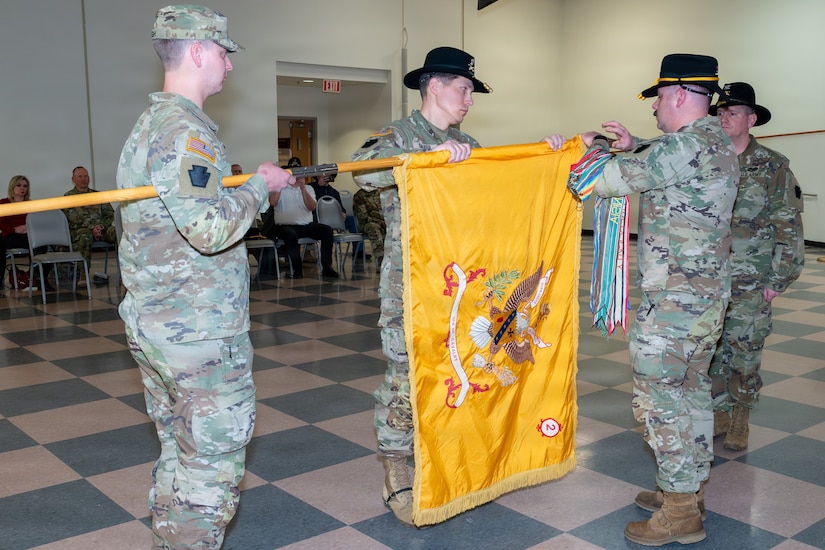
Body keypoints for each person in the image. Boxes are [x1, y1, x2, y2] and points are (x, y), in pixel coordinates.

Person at [116, 5, 293, 549]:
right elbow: (209, 229)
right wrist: (261, 186)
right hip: (198, 334)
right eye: (223, 53)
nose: (229, 66)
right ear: (196, 52)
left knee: (179, 451)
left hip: (163, 325)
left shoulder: (151, 125)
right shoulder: (183, 132)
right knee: (210, 466)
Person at [561, 54, 739, 546]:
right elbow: (658, 157)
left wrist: (584, 149)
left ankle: (680, 511)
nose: (655, 107)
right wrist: (631, 145)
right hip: (701, 298)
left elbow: (603, 181)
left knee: (660, 399)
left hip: (676, 304)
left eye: (659, 97)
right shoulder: (707, 140)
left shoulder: (685, 145)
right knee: (691, 393)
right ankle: (686, 489)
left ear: (680, 95)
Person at [350, 46, 491, 527]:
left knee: (456, 374)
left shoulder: (470, 142)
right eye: (463, 88)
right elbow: (362, 173)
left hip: (460, 288)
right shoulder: (397, 135)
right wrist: (422, 157)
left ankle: (446, 459)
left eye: (471, 90)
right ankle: (396, 471)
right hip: (410, 286)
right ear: (434, 85)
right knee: (404, 383)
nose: (469, 98)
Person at [708, 82, 804, 451]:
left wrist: (779, 278)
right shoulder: (709, 159)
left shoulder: (773, 165)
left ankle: (741, 415)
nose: (724, 117)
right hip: (709, 276)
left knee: (744, 349)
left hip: (752, 276)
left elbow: (789, 225)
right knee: (712, 348)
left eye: (733, 112)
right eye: (720, 111)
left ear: (751, 119)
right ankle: (718, 410)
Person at [261, 172, 339, 279]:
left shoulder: (308, 188)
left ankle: (327, 266)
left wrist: (303, 189)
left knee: (327, 231)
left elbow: (312, 207)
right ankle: (297, 268)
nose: (298, 178)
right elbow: (273, 203)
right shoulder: (279, 188)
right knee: (291, 234)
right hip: (285, 226)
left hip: (306, 225)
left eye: (301, 176)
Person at [63, 166, 118, 278]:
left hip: (100, 229)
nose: (83, 179)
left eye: (86, 176)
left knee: (118, 233)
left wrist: (100, 227)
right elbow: (71, 218)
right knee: (85, 236)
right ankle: (83, 274)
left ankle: (126, 269)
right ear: (73, 179)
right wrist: (91, 228)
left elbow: (109, 214)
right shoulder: (68, 197)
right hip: (80, 230)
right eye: (80, 176)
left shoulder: (98, 195)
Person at [352, 188, 385, 270]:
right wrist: (380, 222)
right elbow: (363, 216)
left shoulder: (382, 192)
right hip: (367, 223)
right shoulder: (360, 195)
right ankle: (380, 260)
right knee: (373, 228)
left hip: (384, 222)